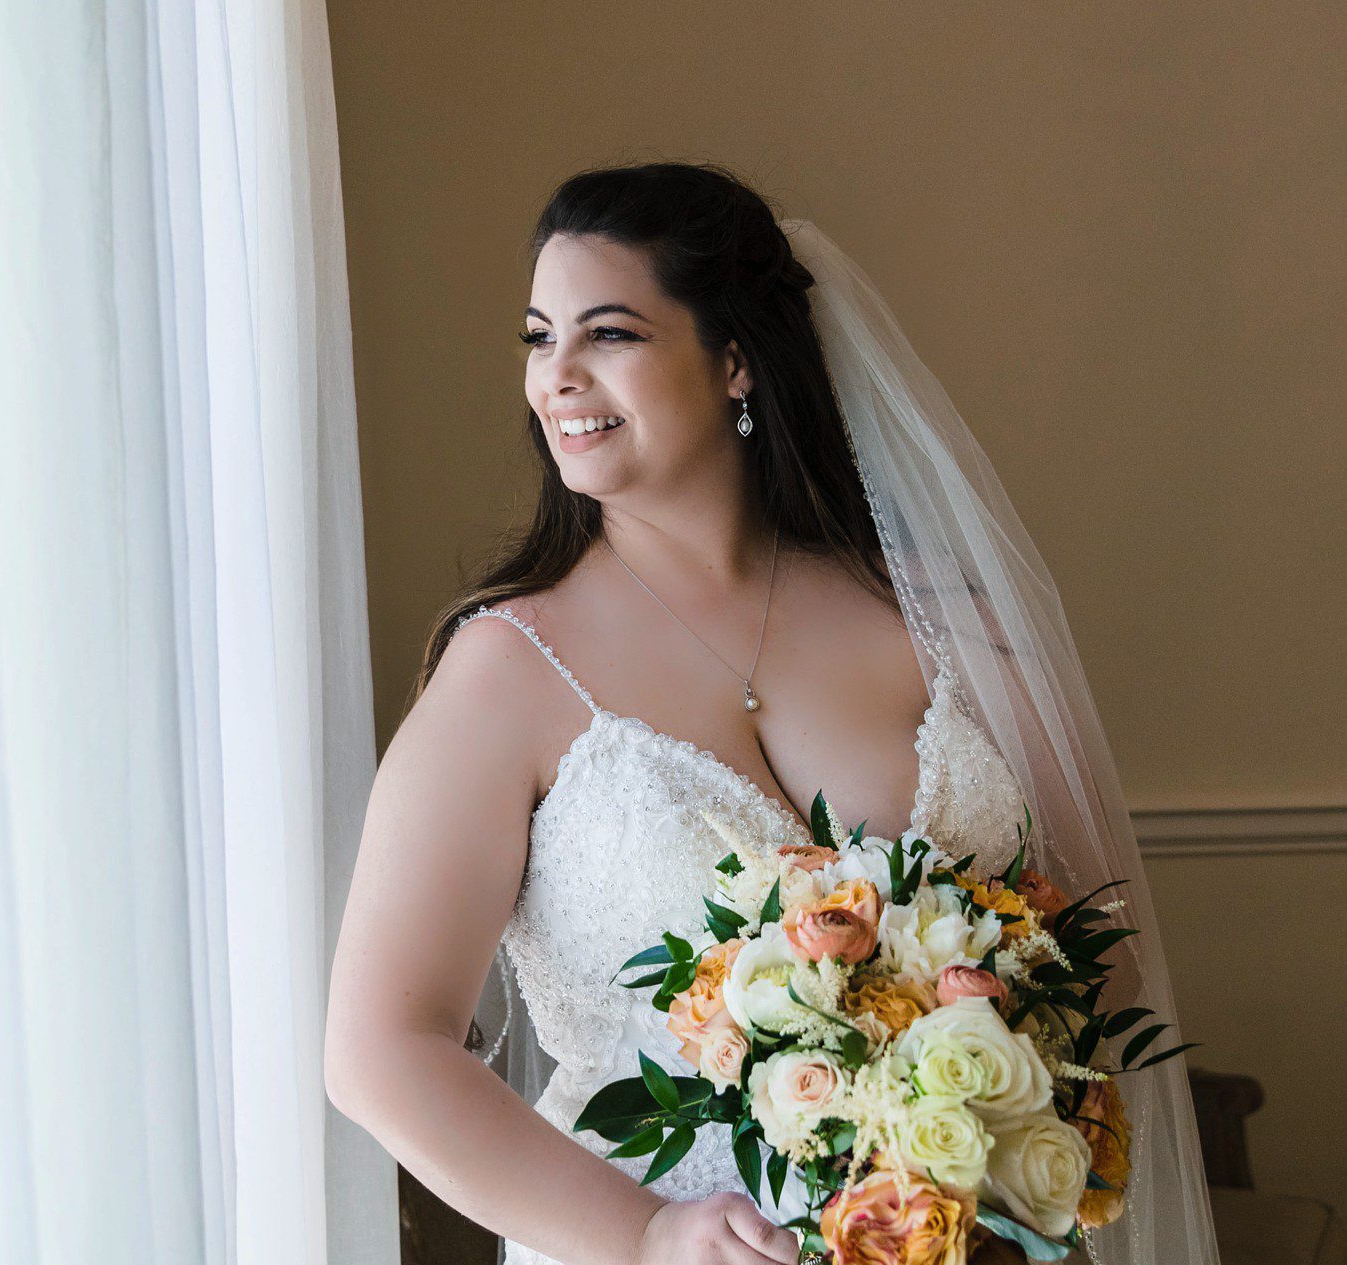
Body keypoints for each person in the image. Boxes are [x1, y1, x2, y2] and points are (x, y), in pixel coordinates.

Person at [325, 162, 1217, 1265]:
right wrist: (649, 1233)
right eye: (539, 337)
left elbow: (1102, 956)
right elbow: (380, 1048)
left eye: (609, 333)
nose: (557, 375)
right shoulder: (505, 668)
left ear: (735, 357)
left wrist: (961, 1102)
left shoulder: (947, 626)